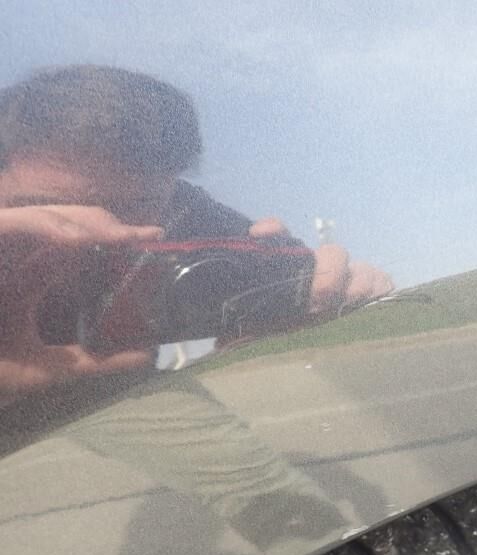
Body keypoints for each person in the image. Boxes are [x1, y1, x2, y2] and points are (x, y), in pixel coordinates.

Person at [0, 65, 392, 403]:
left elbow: (286, 280)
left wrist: (327, 297)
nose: (98, 232)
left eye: (134, 208)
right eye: (53, 211)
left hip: (129, 400)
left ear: (169, 186)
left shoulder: (185, 214)